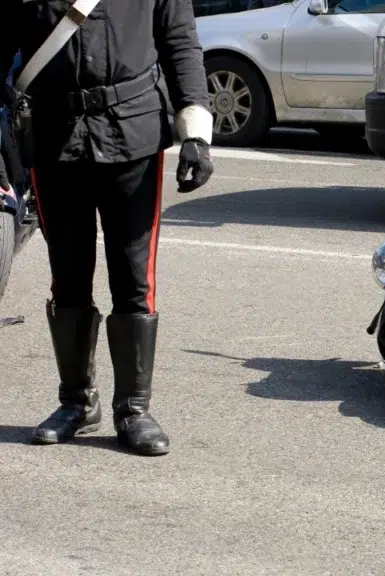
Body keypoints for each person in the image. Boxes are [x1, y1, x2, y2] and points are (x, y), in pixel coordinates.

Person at [0, 0, 216, 456]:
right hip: (55, 137)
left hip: (134, 133)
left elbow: (180, 43)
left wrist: (195, 131)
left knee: (134, 279)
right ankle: (76, 402)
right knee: (68, 275)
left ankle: (133, 409)